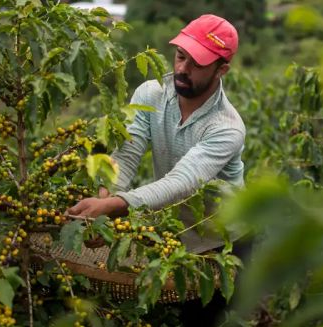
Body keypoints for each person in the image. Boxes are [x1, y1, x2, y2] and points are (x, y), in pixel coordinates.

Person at [66, 14, 246, 255]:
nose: (182, 69)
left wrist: (111, 206)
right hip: (173, 235)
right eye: (181, 56)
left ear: (221, 69)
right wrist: (103, 201)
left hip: (224, 243)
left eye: (197, 64)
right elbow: (127, 155)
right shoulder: (151, 95)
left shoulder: (227, 127)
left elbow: (183, 183)